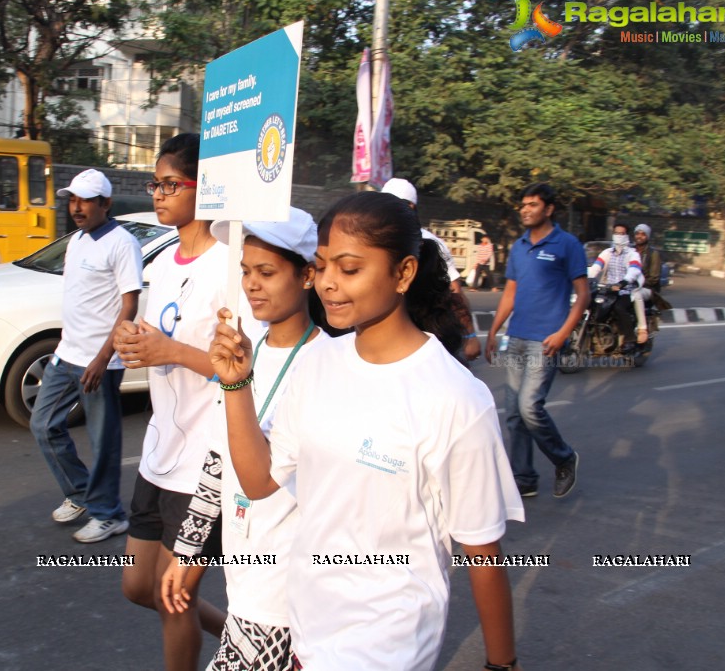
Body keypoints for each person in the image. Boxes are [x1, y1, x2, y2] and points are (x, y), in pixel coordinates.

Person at [211, 191, 524, 671]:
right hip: (307, 630)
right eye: (322, 267)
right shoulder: (316, 364)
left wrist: (501, 665)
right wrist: (236, 384)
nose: (329, 285)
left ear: (403, 273)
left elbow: (482, 550)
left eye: (350, 269)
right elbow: (259, 482)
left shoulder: (455, 398)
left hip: (390, 643)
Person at [113, 133, 259, 671]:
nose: (158, 193)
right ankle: (241, 636)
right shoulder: (165, 261)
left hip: (206, 459)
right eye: (156, 183)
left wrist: (170, 349)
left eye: (171, 184)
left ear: (206, 189)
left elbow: (245, 369)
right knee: (138, 586)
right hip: (160, 449)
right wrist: (138, 342)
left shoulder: (233, 266)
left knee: (173, 599)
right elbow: (164, 337)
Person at [160, 207, 328, 671]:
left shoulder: (329, 364)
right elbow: (218, 463)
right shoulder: (242, 351)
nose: (252, 284)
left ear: (308, 275)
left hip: (291, 600)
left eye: (267, 272)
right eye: (246, 271)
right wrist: (186, 555)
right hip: (244, 591)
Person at [29, 168, 142, 543]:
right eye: (73, 200)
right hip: (66, 354)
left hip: (101, 362)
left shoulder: (121, 243)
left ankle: (109, 514)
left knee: (103, 440)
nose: (77, 208)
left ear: (105, 204)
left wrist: (101, 358)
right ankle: (80, 494)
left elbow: (128, 306)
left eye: (85, 201)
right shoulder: (77, 240)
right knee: (43, 425)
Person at [485, 183, 588, 499]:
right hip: (516, 337)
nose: (525, 210)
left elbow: (583, 296)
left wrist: (562, 333)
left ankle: (563, 457)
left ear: (549, 209)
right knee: (514, 414)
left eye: (532, 204)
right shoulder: (518, 247)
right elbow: (511, 292)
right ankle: (524, 479)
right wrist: (493, 331)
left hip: (545, 342)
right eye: (523, 205)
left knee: (530, 407)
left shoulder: (567, 244)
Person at [382, 178, 481, 361]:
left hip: (428, 337)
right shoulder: (376, 243)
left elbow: (455, 291)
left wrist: (469, 335)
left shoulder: (431, 244)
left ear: (410, 207)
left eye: (393, 205)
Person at [586, 223, 644, 352]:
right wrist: (582, 276)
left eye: (621, 233)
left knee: (619, 307)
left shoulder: (632, 254)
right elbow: (596, 268)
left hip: (625, 290)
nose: (618, 236)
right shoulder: (607, 253)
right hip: (608, 289)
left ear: (626, 236)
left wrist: (623, 282)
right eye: (616, 233)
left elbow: (634, 271)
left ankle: (630, 340)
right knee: (590, 305)